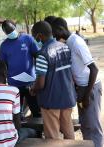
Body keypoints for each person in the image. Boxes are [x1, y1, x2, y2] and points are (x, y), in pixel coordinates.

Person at [52, 17, 103, 147]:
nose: (54, 35)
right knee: (85, 124)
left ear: (60, 29)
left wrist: (86, 96)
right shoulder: (69, 42)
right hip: (81, 88)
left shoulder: (76, 42)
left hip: (90, 88)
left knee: (93, 126)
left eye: (54, 32)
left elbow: (94, 69)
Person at [30, 21, 76, 139]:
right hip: (67, 97)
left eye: (33, 35)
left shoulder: (42, 54)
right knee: (68, 130)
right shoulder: (65, 47)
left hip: (51, 100)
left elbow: (40, 84)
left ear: (39, 36)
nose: (34, 38)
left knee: (52, 136)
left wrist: (33, 89)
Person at [0, 19, 41, 119]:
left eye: (11, 29)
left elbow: (38, 56)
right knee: (17, 113)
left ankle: (38, 134)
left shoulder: (28, 39)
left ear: (15, 26)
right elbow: (3, 65)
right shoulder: (4, 45)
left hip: (30, 83)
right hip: (14, 84)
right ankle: (19, 133)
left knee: (36, 111)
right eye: (7, 32)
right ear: (4, 32)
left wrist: (38, 75)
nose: (10, 33)